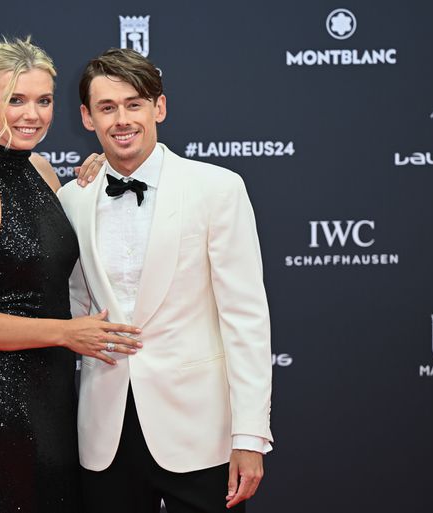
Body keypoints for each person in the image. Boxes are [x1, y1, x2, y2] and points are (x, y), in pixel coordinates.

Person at [58, 48, 274, 513]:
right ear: (87, 117)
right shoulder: (72, 199)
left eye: (134, 104)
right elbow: (72, 309)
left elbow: (246, 320)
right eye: (107, 107)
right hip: (105, 435)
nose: (122, 120)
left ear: (159, 107)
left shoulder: (218, 189)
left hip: (200, 433)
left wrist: (250, 436)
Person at [0, 37, 141, 513]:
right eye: (16, 100)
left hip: (54, 398)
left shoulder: (43, 170)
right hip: (0, 405)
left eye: (43, 101)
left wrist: (99, 171)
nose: (32, 114)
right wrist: (66, 333)